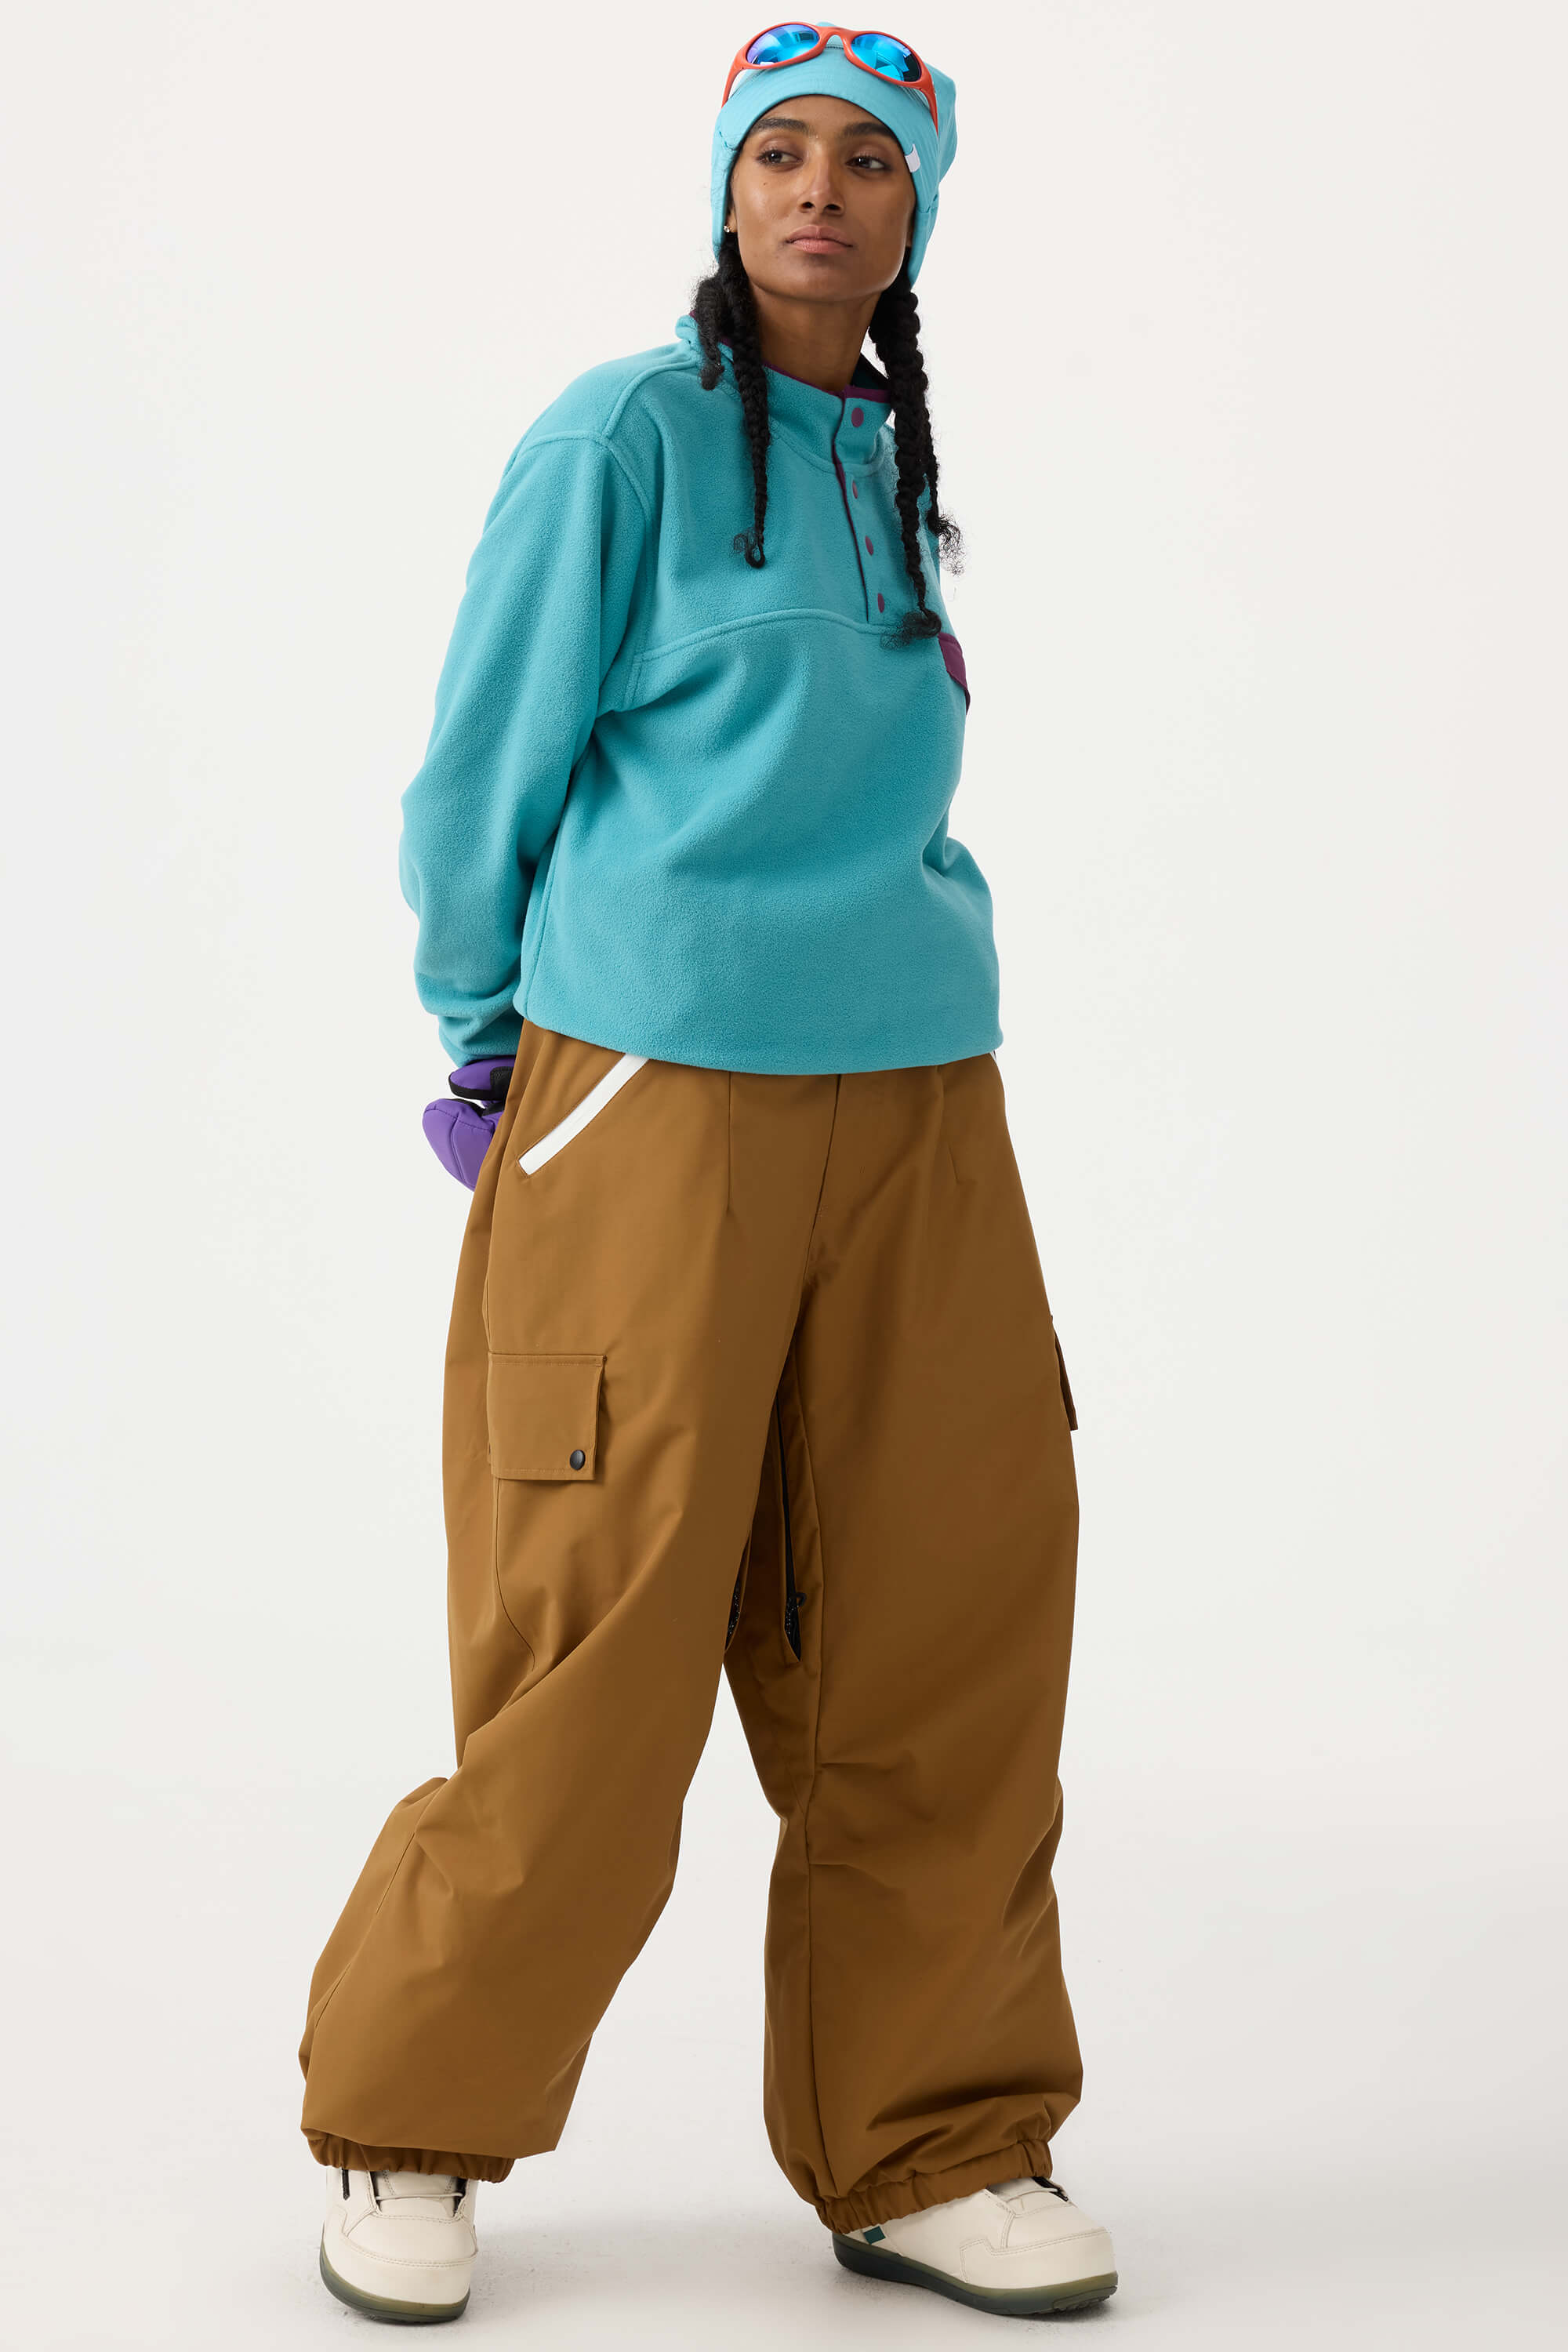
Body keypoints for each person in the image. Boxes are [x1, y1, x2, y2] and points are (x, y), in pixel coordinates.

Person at [299, 23, 1117, 2325]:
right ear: (727, 187)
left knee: (941, 1630)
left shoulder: (894, 459)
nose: (821, 191)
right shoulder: (624, 435)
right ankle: (410, 2124)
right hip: (652, 1089)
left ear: (920, 210)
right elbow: (481, 764)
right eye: (780, 152)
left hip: (923, 1097)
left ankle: (935, 2142)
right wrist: (488, 1040)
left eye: (870, 159)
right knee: (600, 1634)